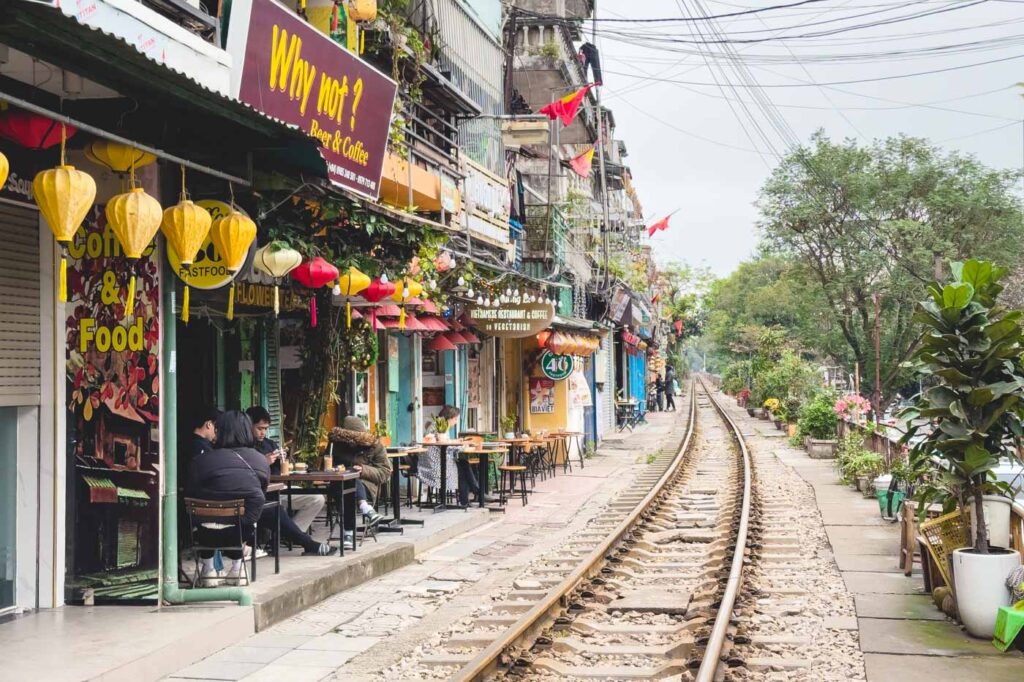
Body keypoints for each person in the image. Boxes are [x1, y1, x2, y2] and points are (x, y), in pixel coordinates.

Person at [186, 412, 337, 585]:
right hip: (240, 533)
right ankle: (237, 568)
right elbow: (260, 493)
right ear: (247, 431)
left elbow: (192, 493)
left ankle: (208, 570)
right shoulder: (259, 460)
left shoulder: (201, 461)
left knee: (218, 519)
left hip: (205, 532)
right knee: (255, 510)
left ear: (220, 431)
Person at [246, 406, 326, 535]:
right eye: (259, 428)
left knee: (317, 498)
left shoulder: (270, 444)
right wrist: (263, 461)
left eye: (266, 429)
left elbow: (282, 472)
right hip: (262, 494)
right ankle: (292, 535)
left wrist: (283, 458)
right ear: (249, 426)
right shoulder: (244, 447)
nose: (263, 433)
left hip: (280, 489)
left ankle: (291, 534)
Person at [325, 417, 389, 544]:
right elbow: (326, 466)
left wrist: (363, 470)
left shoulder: (375, 446)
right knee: (347, 481)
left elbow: (385, 472)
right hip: (338, 484)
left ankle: (348, 533)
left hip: (366, 486)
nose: (352, 443)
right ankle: (366, 509)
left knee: (351, 483)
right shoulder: (336, 445)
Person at [421, 405, 496, 507]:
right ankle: (474, 495)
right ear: (449, 417)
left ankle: (471, 497)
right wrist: (461, 445)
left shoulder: (439, 425)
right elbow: (444, 446)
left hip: (440, 459)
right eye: (455, 419)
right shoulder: (439, 426)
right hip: (434, 463)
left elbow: (445, 444)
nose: (456, 422)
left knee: (463, 464)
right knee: (462, 468)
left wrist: (457, 443)